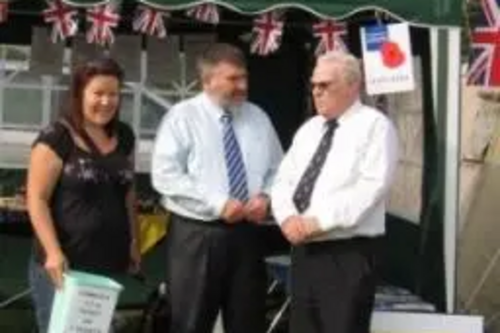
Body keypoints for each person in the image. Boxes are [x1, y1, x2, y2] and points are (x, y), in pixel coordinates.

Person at [151, 43, 283, 333]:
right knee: (191, 323)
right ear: (208, 80)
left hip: (247, 236)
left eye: (245, 77)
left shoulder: (258, 117)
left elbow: (279, 169)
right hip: (197, 237)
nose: (243, 85)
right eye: (233, 79)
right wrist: (217, 202)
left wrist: (266, 196)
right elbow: (165, 174)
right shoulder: (182, 117)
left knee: (247, 322)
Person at [271, 51, 399, 333]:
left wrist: (319, 221)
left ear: (353, 86)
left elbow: (372, 187)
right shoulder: (309, 130)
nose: (316, 91)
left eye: (325, 85)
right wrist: (288, 218)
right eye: (314, 85)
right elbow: (283, 181)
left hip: (346, 254)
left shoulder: (375, 127)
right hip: (304, 252)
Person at [26, 57, 141, 333]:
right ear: (79, 95)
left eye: (113, 94)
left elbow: (128, 192)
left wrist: (135, 241)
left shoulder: (124, 136)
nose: (106, 101)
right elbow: (36, 198)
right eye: (98, 93)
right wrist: (53, 252)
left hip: (107, 264)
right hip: (63, 266)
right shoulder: (56, 136)